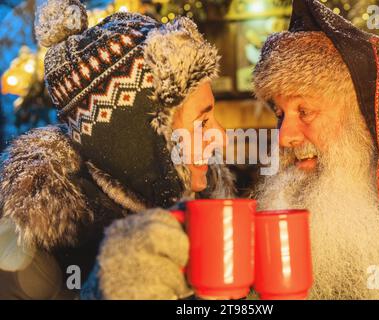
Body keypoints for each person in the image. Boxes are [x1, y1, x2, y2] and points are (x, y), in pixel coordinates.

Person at [0, 0, 233, 299]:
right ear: (137, 139)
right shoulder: (41, 255)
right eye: (201, 121)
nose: (221, 138)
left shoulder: (207, 211)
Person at [253, 0, 379, 299]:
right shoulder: (260, 223)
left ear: (362, 120)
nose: (284, 137)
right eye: (280, 115)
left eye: (304, 111)